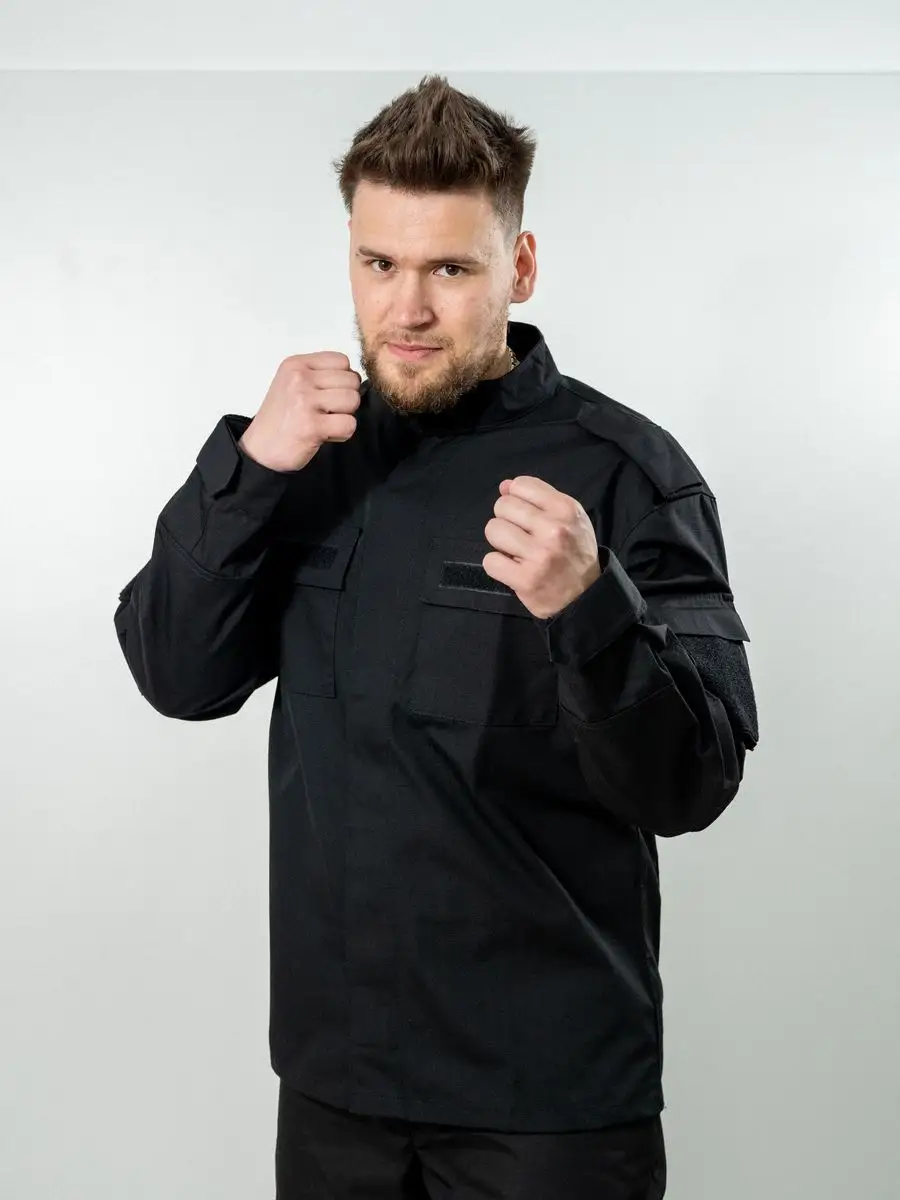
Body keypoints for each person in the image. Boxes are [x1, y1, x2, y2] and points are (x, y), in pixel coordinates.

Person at [114, 74, 759, 1200]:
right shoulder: (302, 456)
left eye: (450, 270)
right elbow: (178, 675)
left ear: (519, 267)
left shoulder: (627, 474)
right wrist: (247, 473)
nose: (406, 309)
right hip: (336, 1091)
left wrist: (592, 609)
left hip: (549, 1110)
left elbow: (692, 785)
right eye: (380, 265)